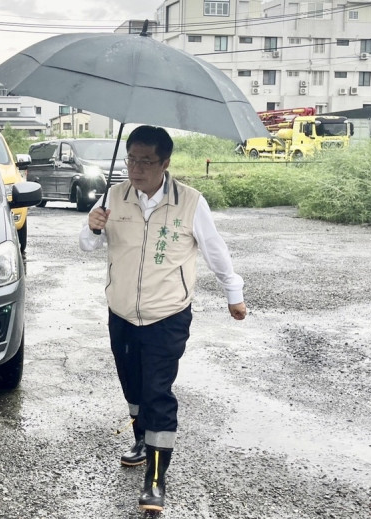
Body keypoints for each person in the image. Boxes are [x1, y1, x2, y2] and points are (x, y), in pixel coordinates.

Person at [79, 125, 247, 513]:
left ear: (165, 163)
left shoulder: (190, 201)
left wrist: (232, 292)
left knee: (157, 392)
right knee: (133, 386)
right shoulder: (114, 197)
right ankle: (140, 438)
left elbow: (215, 250)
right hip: (120, 312)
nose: (136, 169)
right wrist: (93, 226)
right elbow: (88, 245)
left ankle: (155, 477)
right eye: (131, 160)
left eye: (146, 162)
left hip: (167, 314)